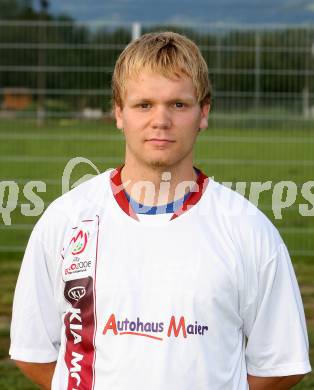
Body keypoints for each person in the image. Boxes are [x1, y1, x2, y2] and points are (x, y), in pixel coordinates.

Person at [10, 31, 311, 390]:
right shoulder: (67, 220)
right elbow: (32, 351)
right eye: (144, 105)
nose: (161, 120)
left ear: (204, 113)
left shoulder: (247, 229)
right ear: (118, 112)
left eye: (179, 105)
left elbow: (281, 363)